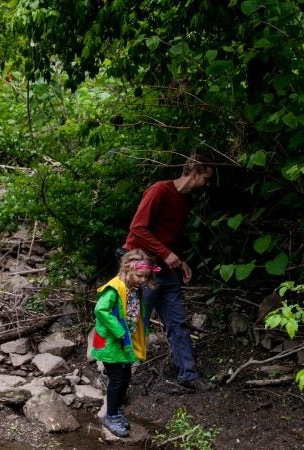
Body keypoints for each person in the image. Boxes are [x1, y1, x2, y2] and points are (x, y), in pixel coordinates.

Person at [121, 153, 214, 391]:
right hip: (140, 267)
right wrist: (166, 253)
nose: (207, 184)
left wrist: (179, 260)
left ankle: (188, 375)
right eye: (206, 178)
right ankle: (117, 376)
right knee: (135, 321)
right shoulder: (159, 191)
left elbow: (168, 236)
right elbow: (137, 228)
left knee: (177, 321)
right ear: (194, 174)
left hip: (164, 268)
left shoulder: (185, 201)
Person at [90, 249, 160, 438]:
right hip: (112, 343)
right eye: (140, 276)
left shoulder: (134, 287)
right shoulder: (115, 287)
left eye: (146, 277)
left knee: (126, 375)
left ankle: (117, 408)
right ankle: (110, 415)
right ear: (127, 269)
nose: (143, 280)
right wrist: (119, 331)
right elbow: (100, 310)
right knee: (117, 378)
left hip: (125, 343)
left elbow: (134, 312)